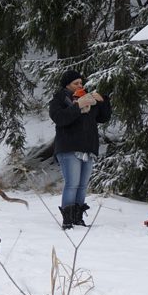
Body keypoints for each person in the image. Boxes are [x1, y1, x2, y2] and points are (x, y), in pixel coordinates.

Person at [49, 69, 111, 229]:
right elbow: (60, 119)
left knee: (83, 185)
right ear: (67, 85)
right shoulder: (59, 99)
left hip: (87, 147)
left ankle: (78, 218)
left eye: (81, 83)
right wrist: (77, 106)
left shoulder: (87, 98)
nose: (79, 85)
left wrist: (103, 100)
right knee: (72, 183)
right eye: (75, 83)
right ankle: (67, 220)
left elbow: (103, 118)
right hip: (68, 147)